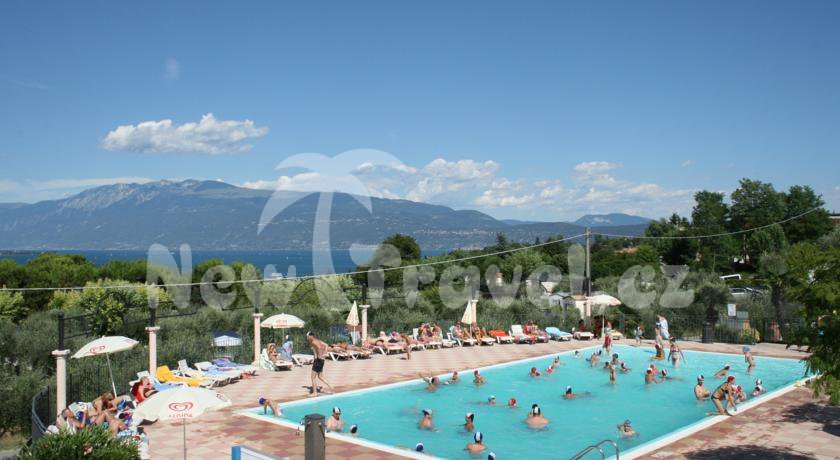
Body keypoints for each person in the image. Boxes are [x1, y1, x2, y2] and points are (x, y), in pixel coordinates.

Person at [307, 332, 334, 396]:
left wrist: (319, 356)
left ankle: (315, 393)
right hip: (322, 360)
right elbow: (326, 345)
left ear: (311, 336)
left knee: (313, 377)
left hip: (318, 360)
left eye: (308, 336)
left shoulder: (313, 342)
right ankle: (330, 386)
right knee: (320, 376)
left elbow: (319, 347)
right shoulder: (318, 340)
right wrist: (325, 353)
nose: (307, 338)